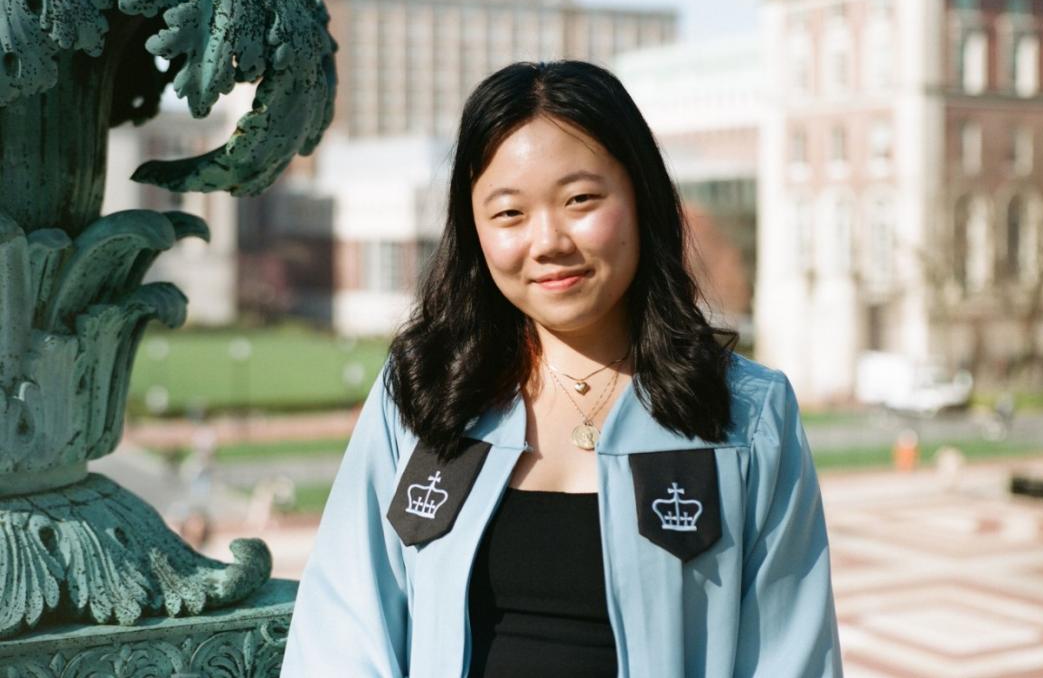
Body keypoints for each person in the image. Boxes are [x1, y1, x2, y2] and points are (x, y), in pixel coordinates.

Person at [281, 61, 842, 677]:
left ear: (640, 198)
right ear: (473, 229)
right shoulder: (422, 395)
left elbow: (791, 656)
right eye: (509, 214)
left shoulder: (744, 414)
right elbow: (340, 634)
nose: (548, 240)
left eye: (580, 200)